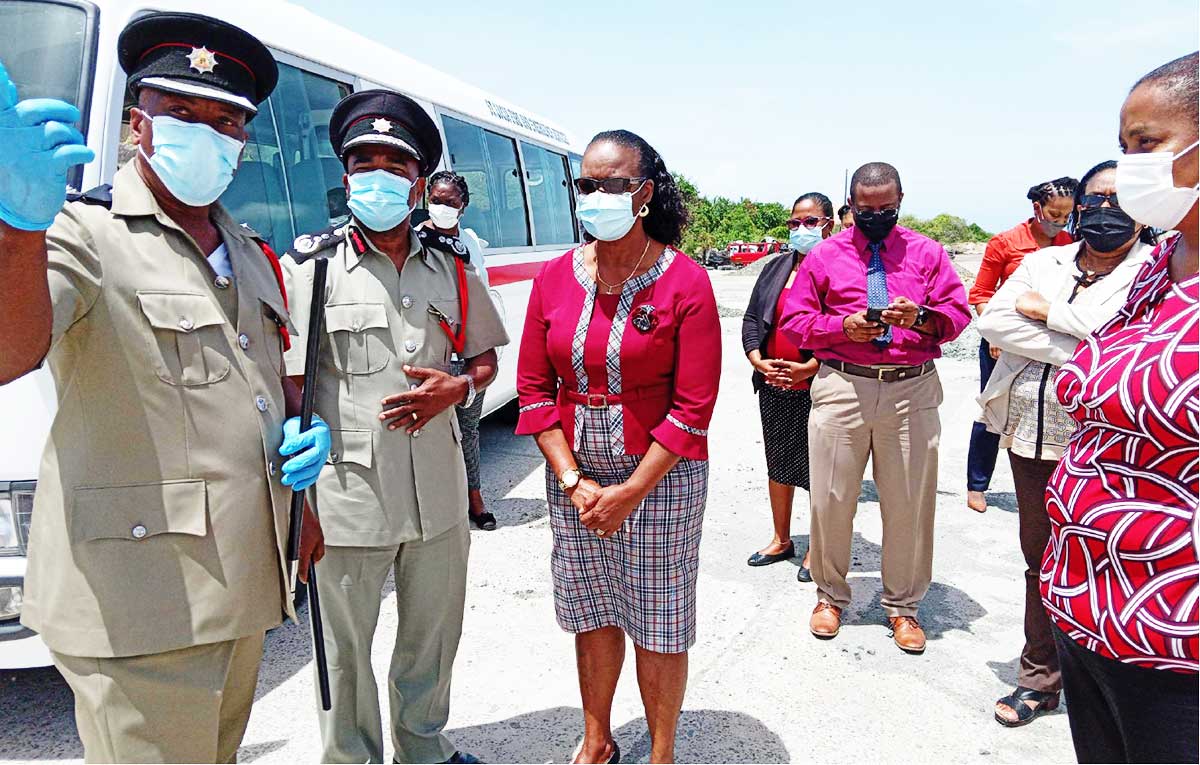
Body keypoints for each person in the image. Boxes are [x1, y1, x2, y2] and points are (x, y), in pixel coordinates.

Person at [0, 13, 330, 762]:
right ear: (136, 126)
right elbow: (9, 352)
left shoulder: (245, 251)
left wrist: (298, 449)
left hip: (241, 588)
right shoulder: (80, 233)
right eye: (181, 114)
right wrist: (16, 230)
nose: (206, 134)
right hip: (138, 604)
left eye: (226, 121)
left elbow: (254, 381)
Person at [282, 90, 508, 765]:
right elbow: (291, 385)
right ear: (346, 176)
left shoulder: (454, 266)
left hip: (437, 493)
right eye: (364, 162)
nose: (378, 174)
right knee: (345, 654)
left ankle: (424, 750)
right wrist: (302, 506)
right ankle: (351, 758)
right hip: (347, 497)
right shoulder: (311, 266)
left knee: (432, 641)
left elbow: (487, 357)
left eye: (394, 163)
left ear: (417, 181)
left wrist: (461, 387)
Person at [515, 129, 720, 764]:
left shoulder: (683, 281)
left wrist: (632, 491)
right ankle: (597, 738)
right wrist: (574, 480)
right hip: (575, 473)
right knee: (591, 610)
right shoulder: (555, 278)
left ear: (644, 193)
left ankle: (661, 752)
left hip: (659, 475)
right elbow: (532, 391)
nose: (597, 196)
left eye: (614, 184)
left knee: (658, 616)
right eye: (588, 185)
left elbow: (693, 408)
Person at [1041, 52, 1198, 762]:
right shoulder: (1158, 271)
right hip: (1090, 609)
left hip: (1174, 636)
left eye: (1146, 144)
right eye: (1123, 144)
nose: (1127, 166)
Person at [977, 160, 1156, 728]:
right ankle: (1041, 676)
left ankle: (1110, 680)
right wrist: (1085, 335)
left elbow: (1129, 342)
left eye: (1119, 200)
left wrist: (1051, 313)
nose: (1105, 211)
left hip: (1108, 440)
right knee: (1040, 557)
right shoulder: (1041, 260)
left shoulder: (1157, 270)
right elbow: (996, 324)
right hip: (1030, 434)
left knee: (1111, 559)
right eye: (1095, 200)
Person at [780, 162, 970, 653]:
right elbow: (796, 320)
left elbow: (957, 315)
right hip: (844, 383)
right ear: (851, 203)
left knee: (908, 503)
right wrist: (841, 329)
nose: (876, 217)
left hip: (911, 389)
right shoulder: (825, 255)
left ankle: (903, 606)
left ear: (901, 199)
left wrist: (922, 317)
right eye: (866, 210)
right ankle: (829, 596)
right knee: (831, 497)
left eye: (886, 208)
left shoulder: (927, 253)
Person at [965, 177, 1077, 513]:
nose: (1057, 223)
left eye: (1065, 217)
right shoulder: (1005, 243)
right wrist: (994, 337)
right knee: (993, 408)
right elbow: (982, 294)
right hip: (1006, 342)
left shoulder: (1072, 243)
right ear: (1037, 208)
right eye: (1053, 215)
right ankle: (977, 485)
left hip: (1052, 339)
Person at [741, 193, 831, 579]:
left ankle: (819, 547)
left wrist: (808, 368)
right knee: (778, 462)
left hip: (818, 385)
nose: (800, 229)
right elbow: (750, 319)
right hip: (773, 382)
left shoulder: (839, 269)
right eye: (794, 223)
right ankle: (782, 539)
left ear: (828, 224)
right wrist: (757, 360)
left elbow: (843, 331)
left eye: (809, 222)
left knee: (818, 470)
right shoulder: (775, 267)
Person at [418, 170, 497, 530]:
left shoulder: (471, 245)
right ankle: (434, 506)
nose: (442, 207)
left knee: (468, 428)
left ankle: (474, 499)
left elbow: (481, 298)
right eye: (436, 201)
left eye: (450, 203)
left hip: (467, 354)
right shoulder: (414, 240)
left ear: (462, 207)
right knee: (428, 431)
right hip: (428, 353)